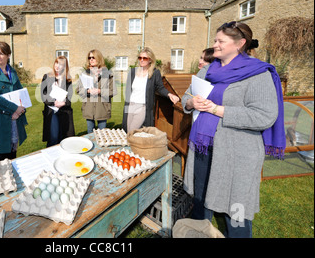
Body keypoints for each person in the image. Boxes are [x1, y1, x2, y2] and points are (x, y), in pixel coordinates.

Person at [181, 21, 285, 238]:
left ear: (240, 44)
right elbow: (186, 97)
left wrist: (218, 110)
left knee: (236, 208)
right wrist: (191, 104)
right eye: (215, 40)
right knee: (200, 199)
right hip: (203, 146)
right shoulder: (208, 69)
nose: (215, 45)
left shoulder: (257, 74)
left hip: (238, 153)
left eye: (220, 41)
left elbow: (265, 115)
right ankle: (201, 232)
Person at [122, 47, 180, 133]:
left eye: (144, 58)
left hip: (142, 107)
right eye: (140, 57)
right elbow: (128, 91)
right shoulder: (133, 72)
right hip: (130, 105)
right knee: (127, 131)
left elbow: (160, 88)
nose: (141, 60)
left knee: (132, 131)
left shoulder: (155, 73)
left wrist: (169, 94)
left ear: (150, 60)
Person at [76, 49, 117, 133]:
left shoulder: (107, 74)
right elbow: (78, 90)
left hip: (102, 108)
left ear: (99, 58)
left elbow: (113, 91)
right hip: (88, 109)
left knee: (102, 135)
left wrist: (99, 91)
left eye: (93, 57)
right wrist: (87, 91)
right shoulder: (85, 74)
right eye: (89, 57)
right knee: (90, 134)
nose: (91, 59)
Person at [41, 56, 75, 147]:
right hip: (52, 111)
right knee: (53, 137)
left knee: (63, 138)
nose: (57, 66)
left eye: (60, 64)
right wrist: (54, 102)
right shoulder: (47, 77)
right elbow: (43, 95)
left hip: (64, 111)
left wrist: (64, 103)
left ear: (64, 66)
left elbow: (70, 97)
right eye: (56, 63)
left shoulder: (67, 79)